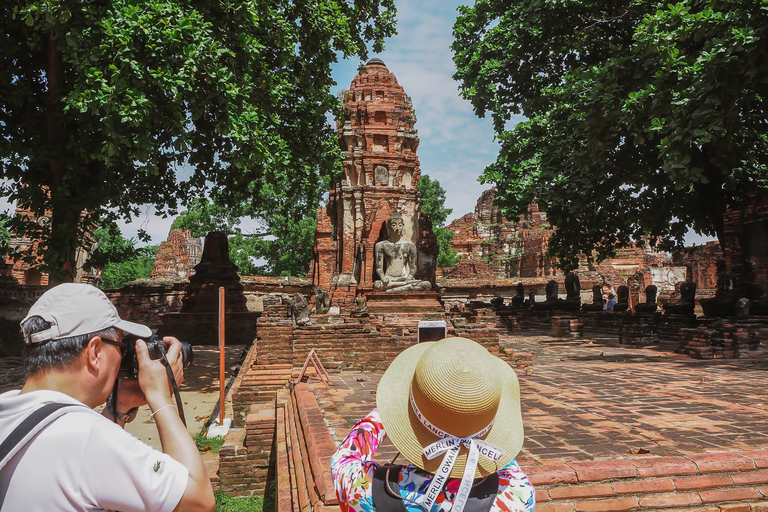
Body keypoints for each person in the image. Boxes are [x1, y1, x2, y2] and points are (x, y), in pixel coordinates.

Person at [0, 283, 215, 512]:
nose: (123, 356)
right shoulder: (86, 436)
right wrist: (160, 397)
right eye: (121, 346)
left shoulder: (8, 411)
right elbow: (199, 502)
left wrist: (119, 407)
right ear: (94, 352)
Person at [331, 337, 535, 512]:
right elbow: (504, 457)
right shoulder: (517, 494)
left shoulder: (361, 488)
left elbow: (343, 458)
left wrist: (388, 410)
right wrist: (478, 416)